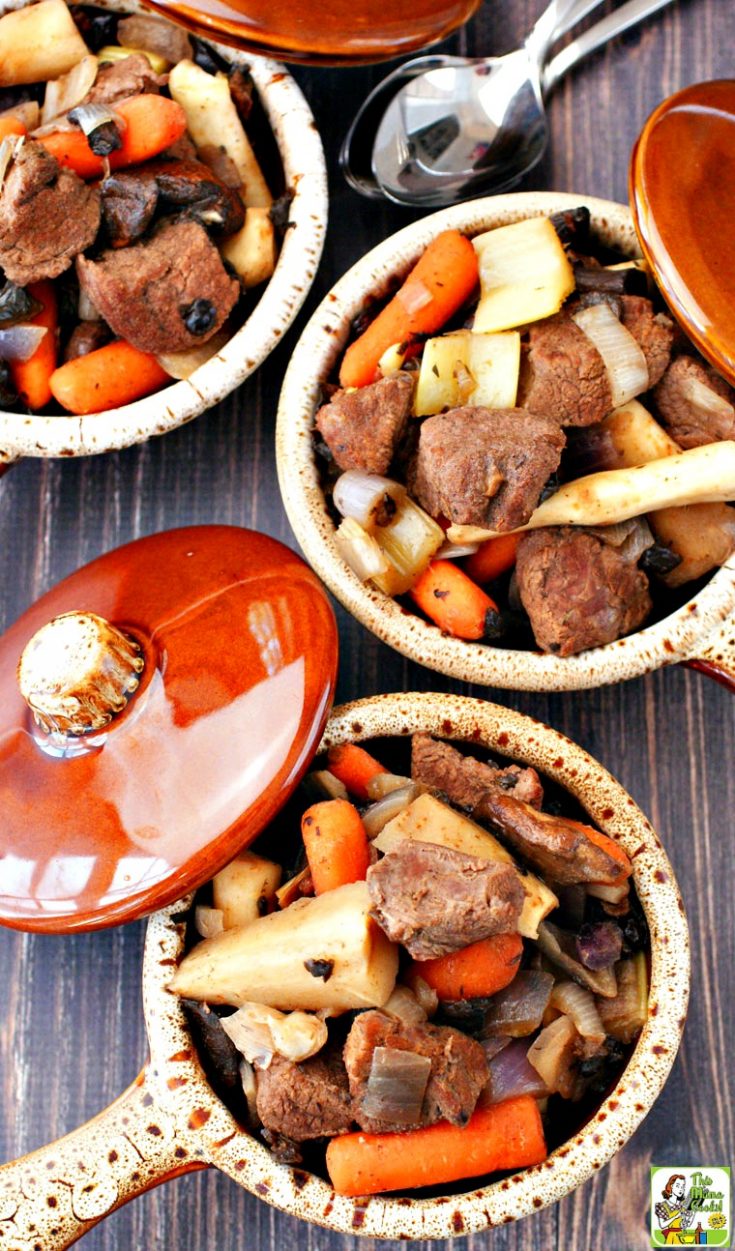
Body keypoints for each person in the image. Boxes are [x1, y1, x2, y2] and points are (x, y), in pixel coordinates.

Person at [655, 1174, 696, 1244]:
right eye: (678, 1186)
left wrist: (694, 1211)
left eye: (683, 1187)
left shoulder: (683, 1204)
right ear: (671, 1186)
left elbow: (687, 1224)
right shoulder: (661, 1206)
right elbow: (662, 1225)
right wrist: (675, 1217)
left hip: (682, 1237)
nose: (681, 1189)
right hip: (671, 1238)